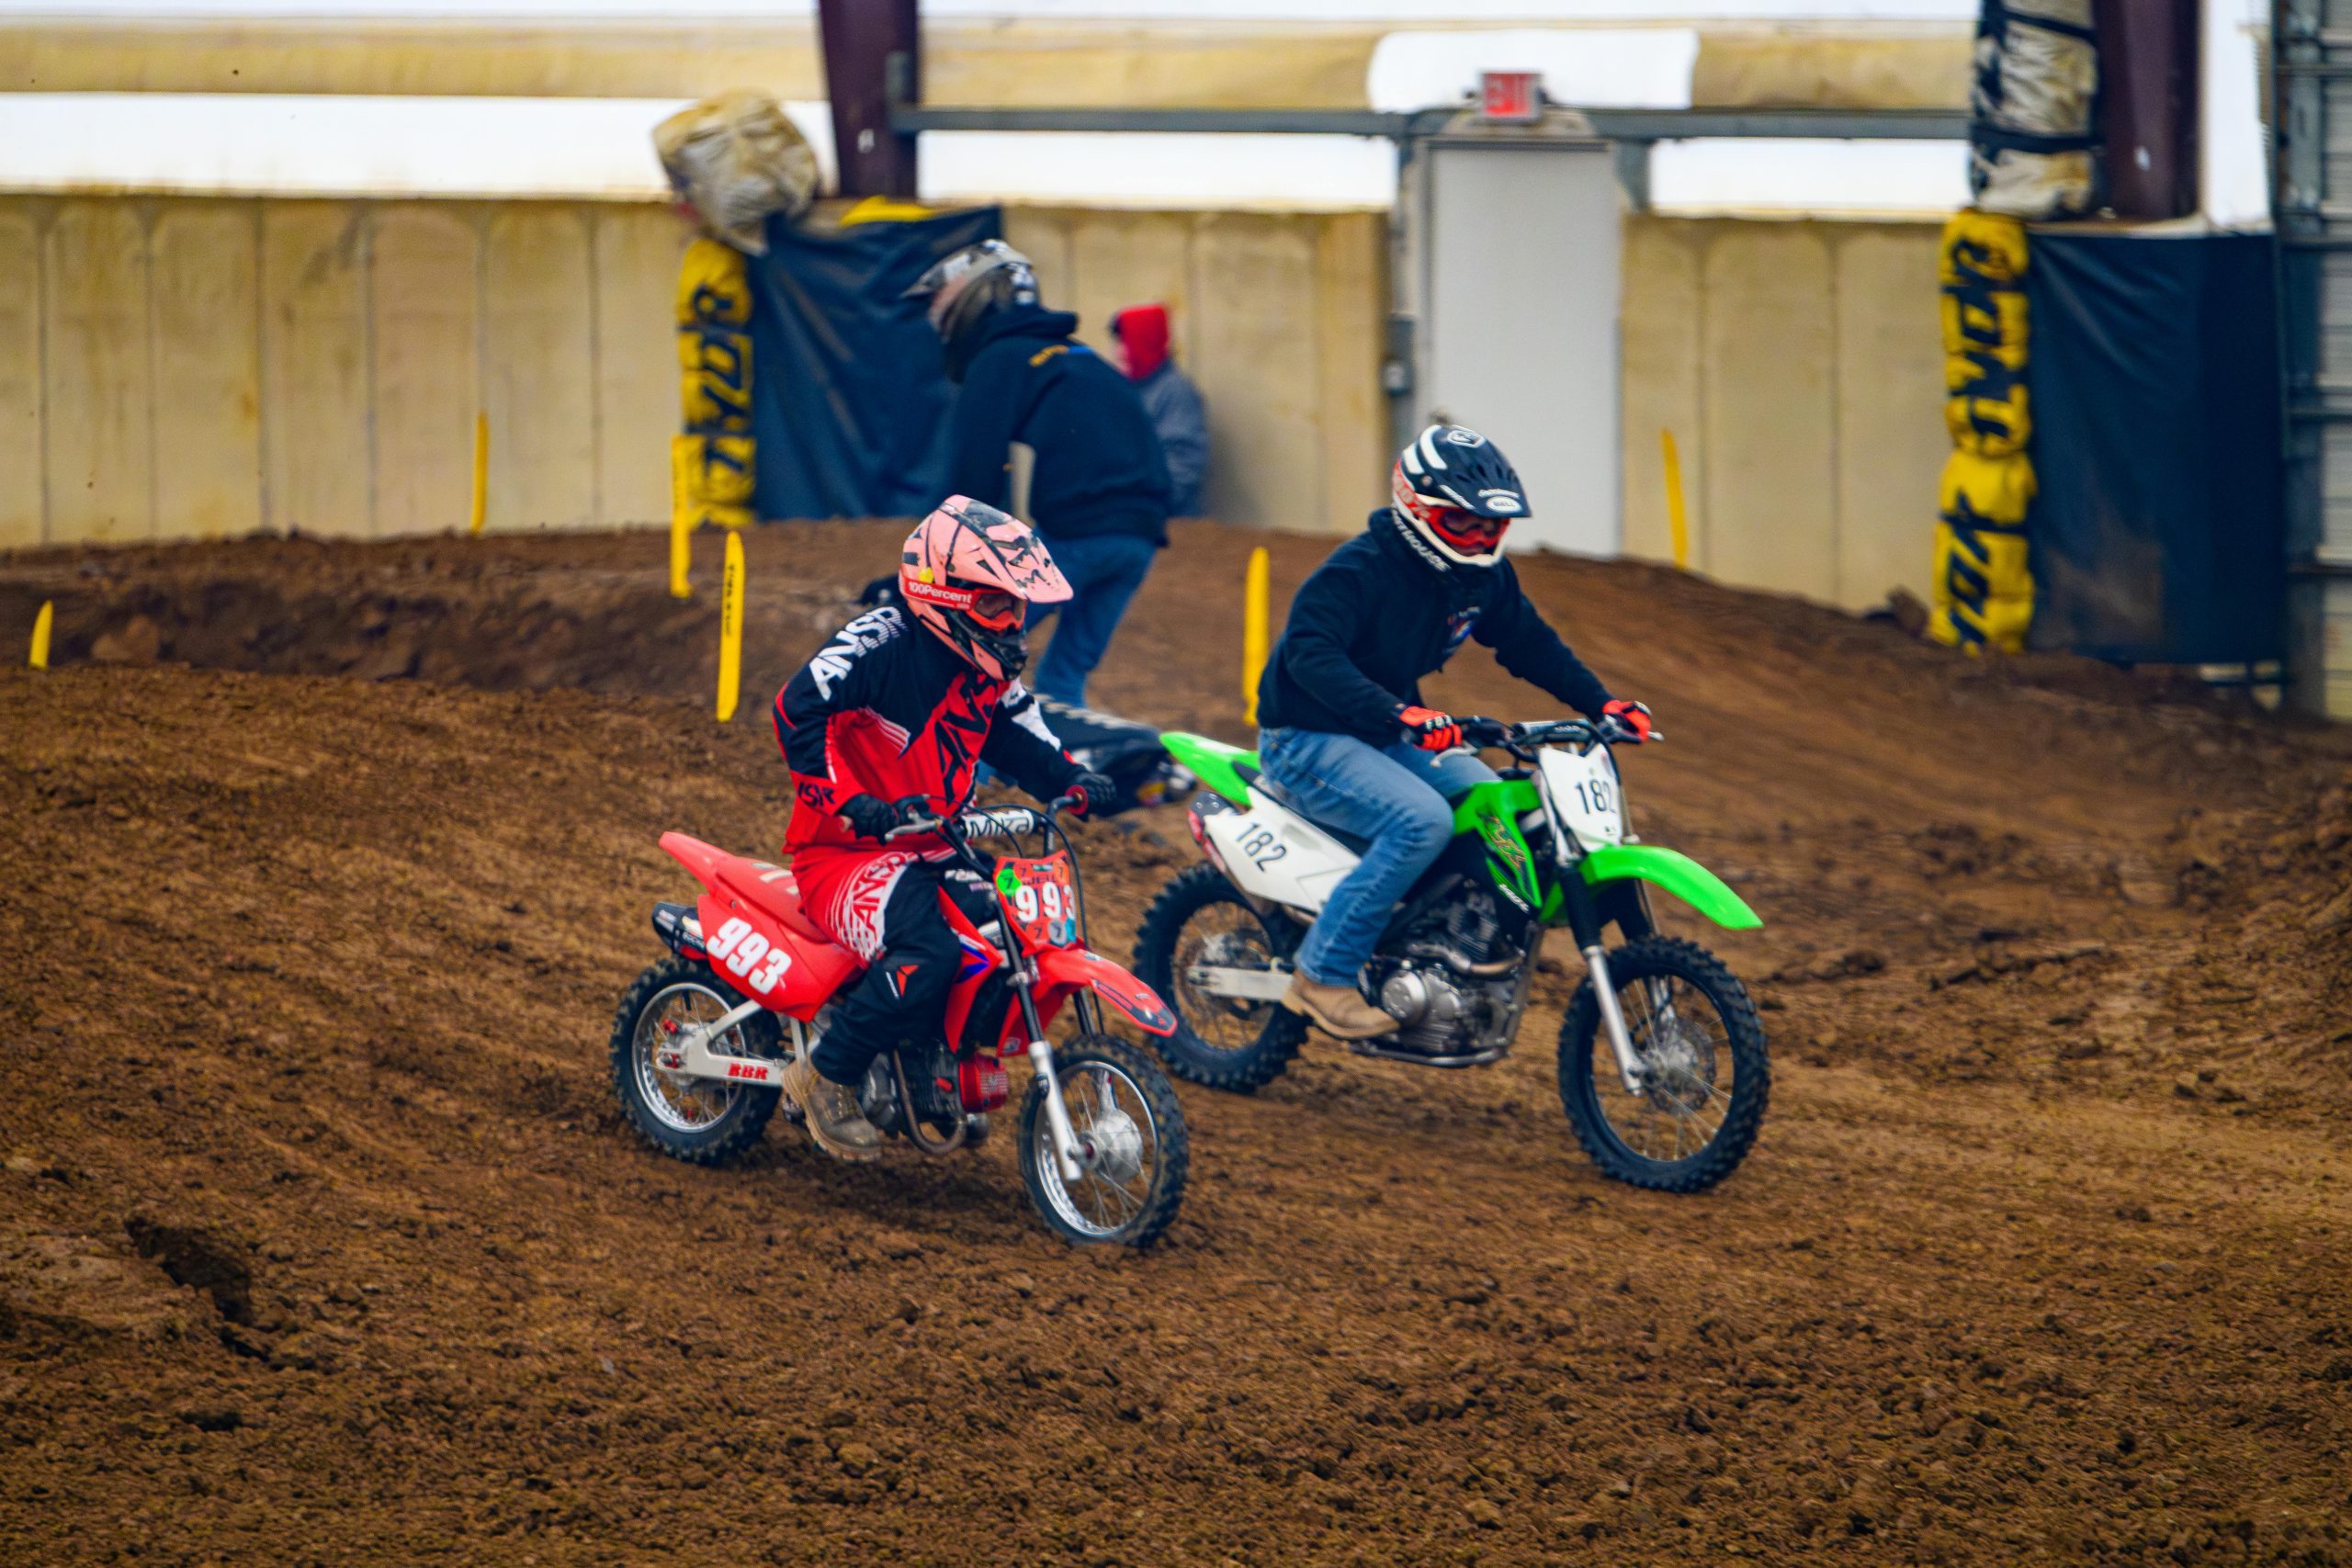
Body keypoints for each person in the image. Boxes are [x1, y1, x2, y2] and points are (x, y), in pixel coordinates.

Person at [1253, 423, 1653, 1040]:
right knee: (1421, 821)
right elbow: (1310, 654)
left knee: (1492, 801)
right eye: (1465, 523)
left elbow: (1528, 643)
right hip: (1306, 735)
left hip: (1388, 729)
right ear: (1417, 507)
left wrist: (1604, 702)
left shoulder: (1480, 576)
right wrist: (1399, 713)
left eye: (1492, 526)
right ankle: (1321, 976)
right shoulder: (1360, 568)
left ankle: (1433, 939)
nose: (1482, 537)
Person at [774, 496, 1114, 1160]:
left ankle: (928, 1075)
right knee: (929, 952)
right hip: (844, 853)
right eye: (995, 605)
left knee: (1006, 938)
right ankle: (824, 1076)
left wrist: (1069, 778)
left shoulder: (988, 670)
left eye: (1018, 606)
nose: (1013, 623)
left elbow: (1019, 736)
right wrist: (850, 804)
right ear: (945, 593)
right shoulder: (883, 641)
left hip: (934, 843)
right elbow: (795, 709)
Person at [905, 241, 1170, 709]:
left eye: (938, 303)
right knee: (1063, 681)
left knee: (965, 649)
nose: (935, 319)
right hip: (1140, 539)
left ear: (976, 298)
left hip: (1079, 532)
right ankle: (1064, 777)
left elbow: (975, 476)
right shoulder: (1077, 355)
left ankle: (964, 781)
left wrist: (934, 568)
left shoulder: (1001, 358)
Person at [1109, 303, 1209, 518]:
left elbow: (1182, 468)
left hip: (1167, 527)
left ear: (1144, 342)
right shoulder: (1127, 387)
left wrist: (1138, 510)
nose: (1118, 352)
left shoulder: (1174, 393)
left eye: (1125, 342)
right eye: (1117, 343)